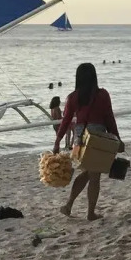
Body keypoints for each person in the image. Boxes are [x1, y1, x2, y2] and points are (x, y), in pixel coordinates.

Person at [52, 62, 120, 220]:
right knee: (94, 176)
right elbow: (109, 118)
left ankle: (68, 205)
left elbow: (66, 120)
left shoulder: (73, 97)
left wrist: (58, 141)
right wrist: (117, 138)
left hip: (79, 138)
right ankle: (89, 213)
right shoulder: (102, 95)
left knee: (87, 172)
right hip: (96, 137)